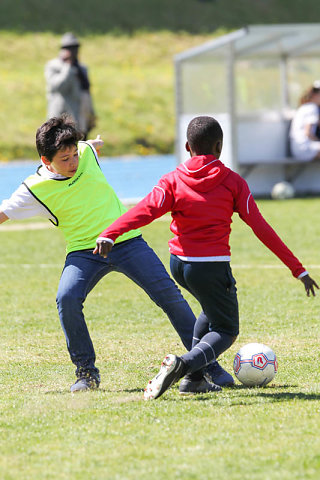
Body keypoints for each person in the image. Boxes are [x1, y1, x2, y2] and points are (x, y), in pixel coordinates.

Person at [94, 115, 319, 400]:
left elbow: (145, 210)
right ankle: (183, 365)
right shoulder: (233, 182)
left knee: (210, 309)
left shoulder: (173, 180)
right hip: (211, 267)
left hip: (179, 264)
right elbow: (262, 228)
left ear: (188, 146)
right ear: (219, 146)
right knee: (226, 328)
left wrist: (110, 233)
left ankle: (194, 380)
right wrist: (297, 269)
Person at [0, 115, 200, 393]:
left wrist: (94, 143)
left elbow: (88, 145)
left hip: (126, 240)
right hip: (84, 252)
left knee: (169, 296)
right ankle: (86, 373)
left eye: (74, 155)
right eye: (64, 159)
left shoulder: (84, 151)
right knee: (66, 299)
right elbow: (3, 212)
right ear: (46, 161)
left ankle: (206, 365)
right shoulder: (34, 189)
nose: (73, 163)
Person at [45, 33, 96, 139]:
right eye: (69, 48)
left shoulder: (82, 68)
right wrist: (67, 67)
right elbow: (58, 87)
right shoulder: (53, 66)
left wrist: (91, 114)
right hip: (61, 121)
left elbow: (86, 92)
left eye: (75, 48)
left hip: (80, 120)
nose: (73, 51)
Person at [289, 81, 320, 161]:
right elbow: (308, 133)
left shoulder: (305, 107)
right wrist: (317, 140)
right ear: (315, 94)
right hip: (304, 149)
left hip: (298, 148)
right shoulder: (312, 108)